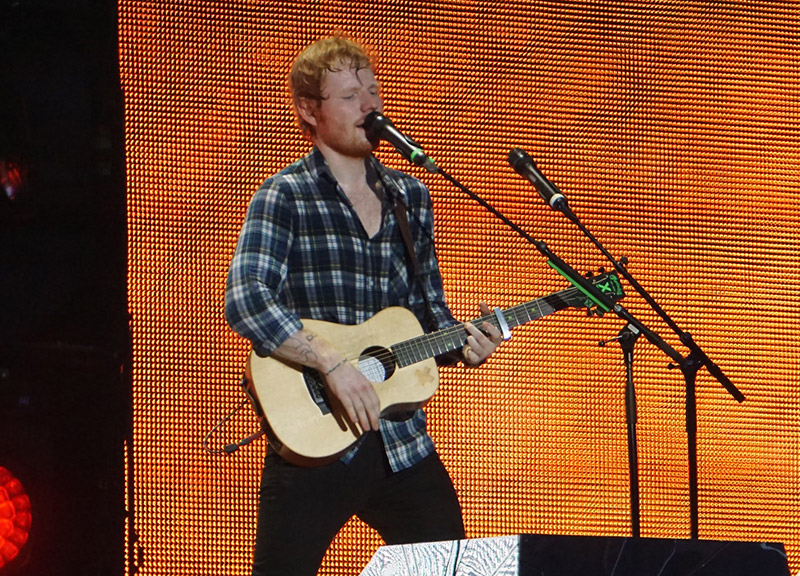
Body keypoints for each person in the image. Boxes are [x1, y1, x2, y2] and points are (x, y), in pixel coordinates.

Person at [225, 35, 503, 576]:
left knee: (448, 564)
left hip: (400, 440)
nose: (370, 106)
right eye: (350, 96)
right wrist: (332, 363)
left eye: (373, 92)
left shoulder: (410, 197)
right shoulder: (286, 196)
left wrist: (468, 342)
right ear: (310, 109)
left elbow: (428, 313)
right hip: (315, 437)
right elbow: (246, 298)